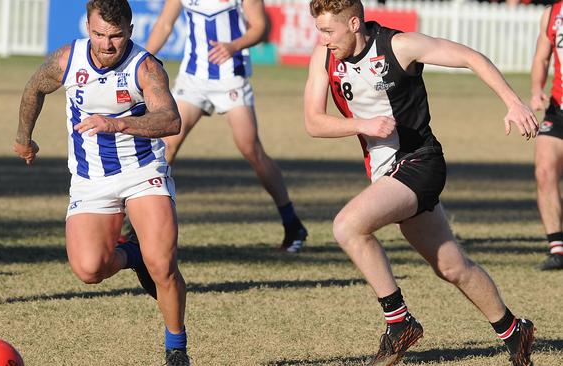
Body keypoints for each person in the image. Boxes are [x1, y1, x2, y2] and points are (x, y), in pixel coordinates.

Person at [304, 1, 538, 365]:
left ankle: (399, 323)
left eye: (329, 31)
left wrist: (513, 102)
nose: (323, 40)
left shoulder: (399, 46)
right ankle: (514, 331)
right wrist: (361, 125)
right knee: (451, 267)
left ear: (353, 23)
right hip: (388, 174)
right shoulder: (323, 57)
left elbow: (471, 57)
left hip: (420, 163)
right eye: (319, 31)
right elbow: (313, 122)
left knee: (348, 226)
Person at [14, 1, 190, 364]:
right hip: (90, 178)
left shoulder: (146, 68)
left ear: (130, 30)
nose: (107, 44)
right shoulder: (68, 59)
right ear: (87, 28)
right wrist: (24, 138)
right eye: (98, 34)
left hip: (142, 172)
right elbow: (34, 88)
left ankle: (176, 349)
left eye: (116, 35)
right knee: (89, 269)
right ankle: (133, 255)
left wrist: (120, 123)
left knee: (163, 266)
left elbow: (171, 121)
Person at [144, 0, 308, 252]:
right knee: (166, 146)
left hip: (231, 79)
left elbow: (260, 26)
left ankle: (292, 223)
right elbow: (165, 24)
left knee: (251, 150)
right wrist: (142, 62)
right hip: (193, 79)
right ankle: (138, 225)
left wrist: (234, 46)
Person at [530, 1, 563, 271]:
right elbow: (542, 56)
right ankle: (557, 249)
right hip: (558, 108)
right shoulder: (552, 14)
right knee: (544, 171)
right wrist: (536, 90)